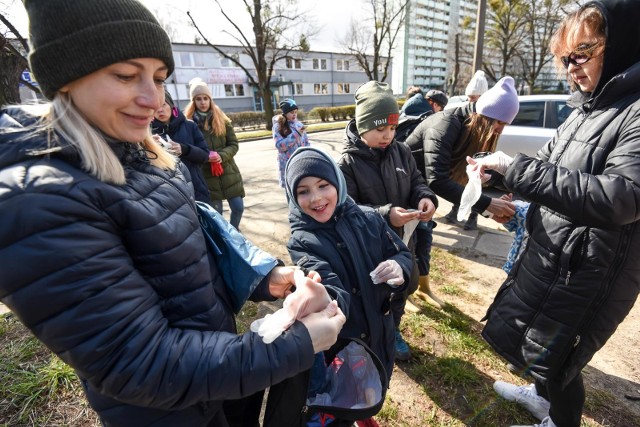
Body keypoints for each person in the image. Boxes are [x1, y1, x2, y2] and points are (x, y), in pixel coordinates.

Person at [0, 1, 346, 426]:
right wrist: (295, 346)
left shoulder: (142, 152)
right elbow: (138, 361)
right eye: (127, 76)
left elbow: (194, 236)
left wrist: (265, 276)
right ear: (66, 78)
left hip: (213, 379)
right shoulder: (40, 201)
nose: (153, 99)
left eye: (160, 79)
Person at [468, 2, 640, 426]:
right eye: (565, 58)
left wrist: (520, 171)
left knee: (561, 359)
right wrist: (496, 177)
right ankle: (540, 399)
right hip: (556, 255)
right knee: (541, 348)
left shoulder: (635, 110)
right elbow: (547, 164)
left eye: (581, 54)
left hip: (591, 270)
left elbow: (624, 197)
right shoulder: (587, 106)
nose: (571, 68)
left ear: (618, 46)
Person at [263, 147, 413, 427]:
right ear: (293, 198)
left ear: (338, 184)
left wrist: (399, 267)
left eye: (323, 185)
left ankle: (365, 411)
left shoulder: (369, 218)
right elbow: (325, 283)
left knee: (376, 382)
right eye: (304, 191)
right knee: (344, 399)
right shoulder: (302, 241)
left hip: (381, 333)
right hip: (346, 345)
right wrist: (323, 299)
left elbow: (402, 253)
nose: (317, 198)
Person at [337, 81, 438, 361]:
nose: (388, 135)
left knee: (404, 286)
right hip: (371, 248)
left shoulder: (402, 151)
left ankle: (393, 329)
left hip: (405, 241)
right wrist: (385, 214)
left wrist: (424, 198)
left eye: (393, 128)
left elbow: (417, 181)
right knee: (376, 294)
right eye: (380, 129)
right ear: (362, 125)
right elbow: (347, 209)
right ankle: (373, 334)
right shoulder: (347, 164)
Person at [405, 76, 518, 231]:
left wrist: (489, 211)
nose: (500, 130)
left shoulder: (471, 130)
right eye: (499, 122)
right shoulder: (445, 124)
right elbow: (437, 180)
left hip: (421, 193)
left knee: (421, 245)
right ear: (485, 116)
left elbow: (465, 178)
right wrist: (488, 204)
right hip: (403, 189)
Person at [184, 78, 245, 230]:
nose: (203, 102)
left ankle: (234, 230)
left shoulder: (222, 120)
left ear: (210, 99)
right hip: (206, 176)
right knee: (216, 213)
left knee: (238, 207)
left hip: (228, 172)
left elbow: (233, 144)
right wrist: (204, 156)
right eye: (198, 99)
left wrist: (221, 155)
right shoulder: (188, 124)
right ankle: (226, 236)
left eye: (205, 98)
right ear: (193, 101)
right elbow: (189, 150)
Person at [151, 90, 211, 203]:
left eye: (163, 104)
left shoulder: (189, 125)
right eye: (155, 106)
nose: (160, 110)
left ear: (171, 105)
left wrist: (184, 149)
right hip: (168, 194)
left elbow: (205, 155)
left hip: (196, 189)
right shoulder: (147, 133)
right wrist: (150, 147)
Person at [273, 98, 309, 189]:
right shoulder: (278, 126)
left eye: (295, 112)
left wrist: (309, 154)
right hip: (287, 164)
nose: (294, 114)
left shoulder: (299, 125)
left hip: (301, 162)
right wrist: (296, 134)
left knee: (301, 189)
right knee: (291, 190)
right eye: (291, 112)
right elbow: (279, 146)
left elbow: (306, 143)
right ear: (285, 113)